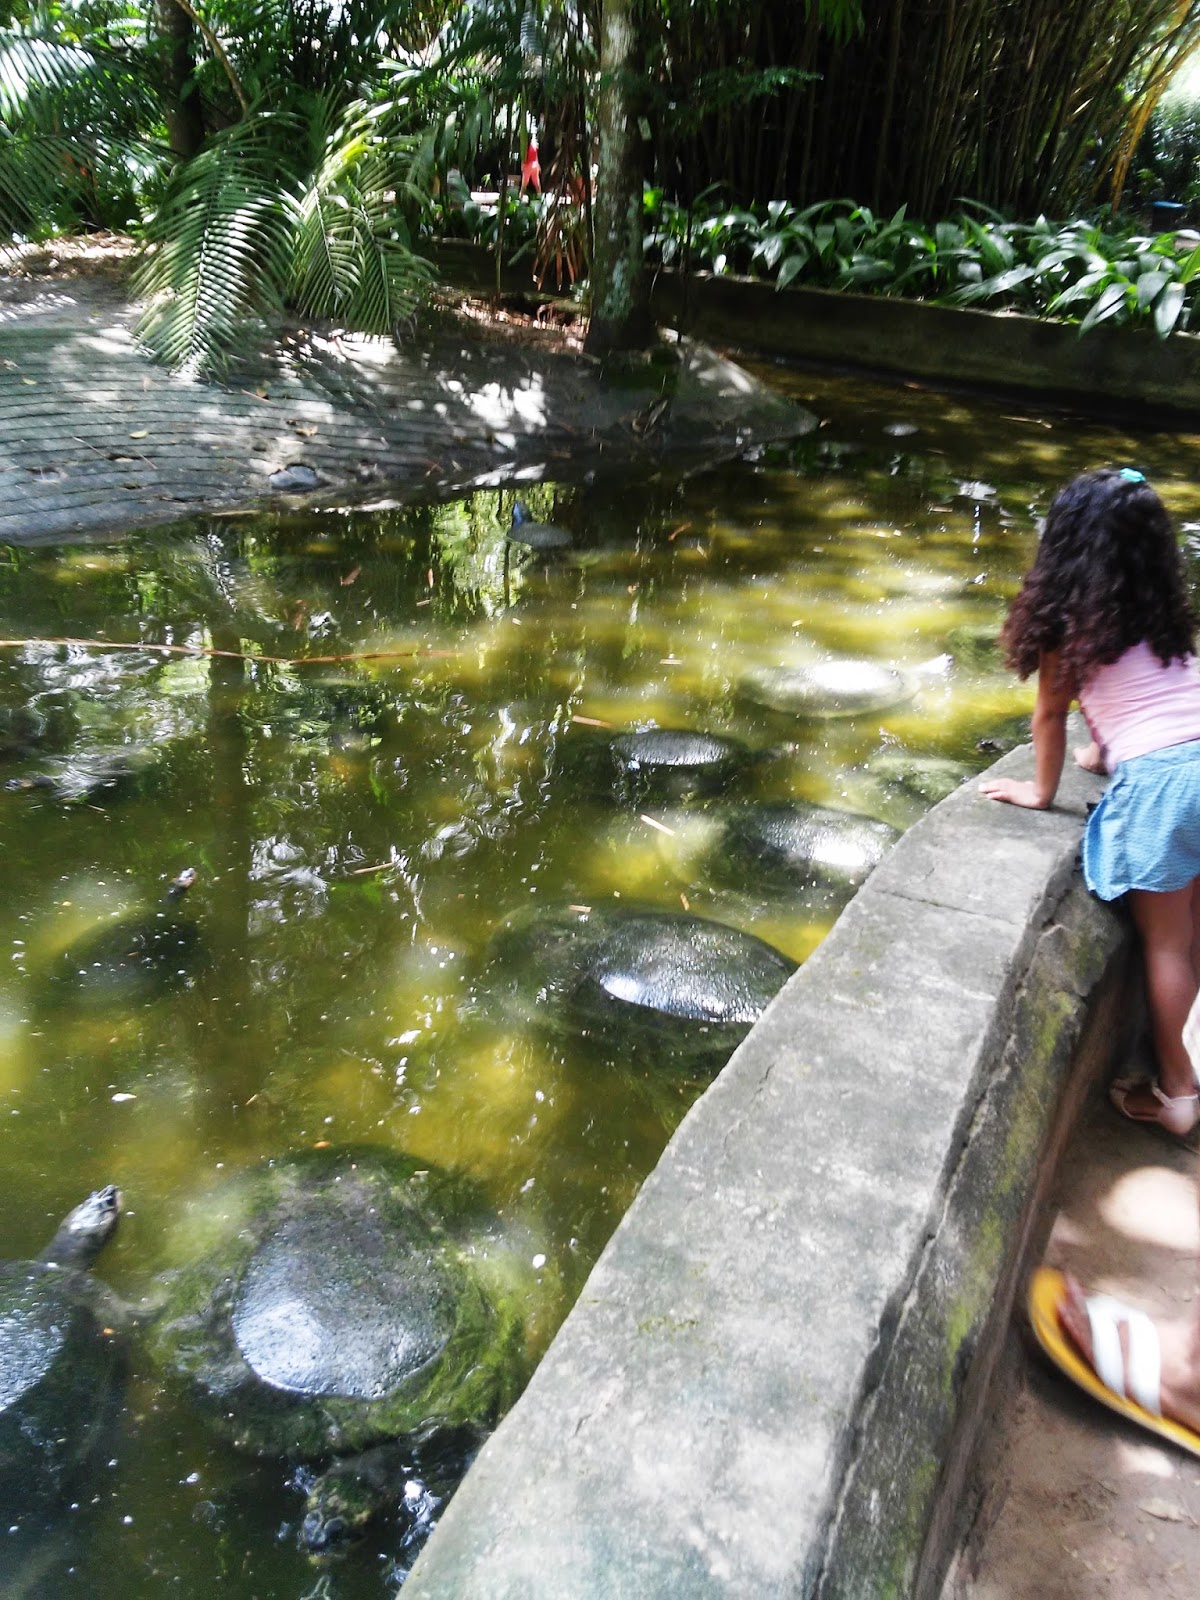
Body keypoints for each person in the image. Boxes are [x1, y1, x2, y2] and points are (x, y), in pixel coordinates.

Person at [980, 466, 1200, 1136]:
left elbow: (1050, 718)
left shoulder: (1070, 628)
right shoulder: (1163, 615)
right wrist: (1103, 753)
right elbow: (1152, 698)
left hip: (1169, 786)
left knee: (1166, 943)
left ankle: (1178, 1092)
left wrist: (1042, 791)